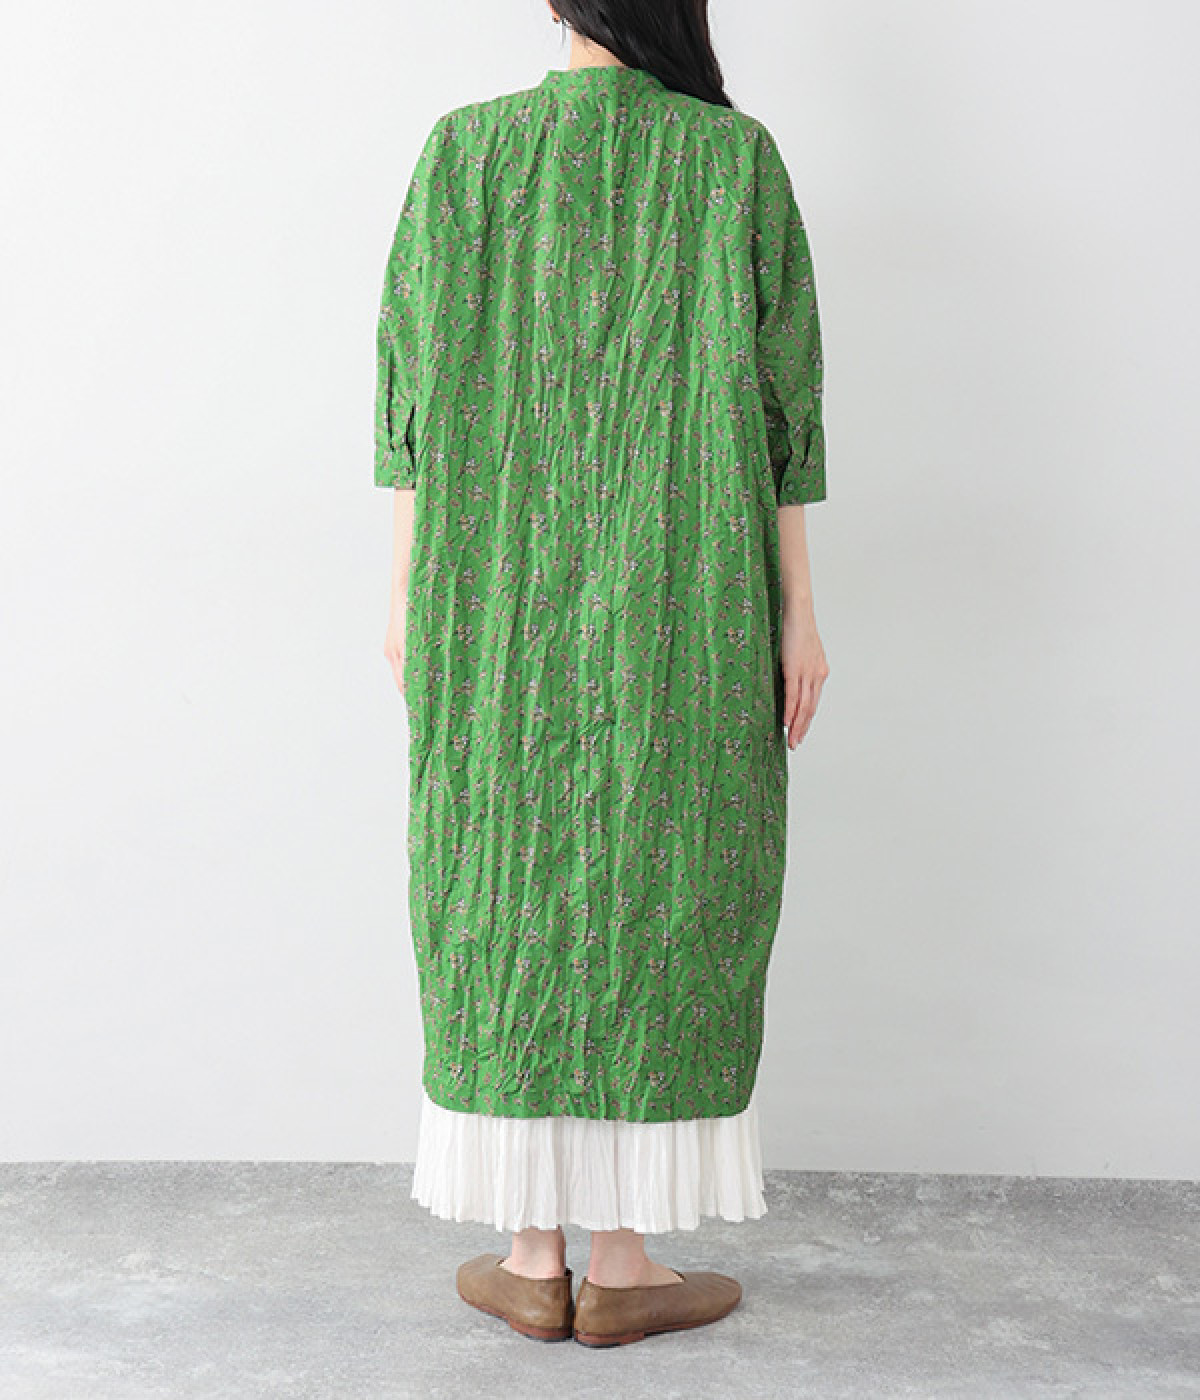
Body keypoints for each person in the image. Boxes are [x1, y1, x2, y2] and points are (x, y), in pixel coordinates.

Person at [375, 0, 829, 1348]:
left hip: (488, 592)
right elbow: (787, 415)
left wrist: (402, 594)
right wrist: (800, 615)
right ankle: (622, 1266)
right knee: (671, 872)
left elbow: (407, 397)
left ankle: (532, 1256)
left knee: (500, 872)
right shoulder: (734, 160)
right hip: (691, 595)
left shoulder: (462, 153)